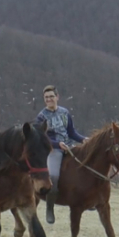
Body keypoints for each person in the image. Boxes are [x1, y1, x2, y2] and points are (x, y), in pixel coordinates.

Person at [35, 85, 86, 224]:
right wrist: (58, 145)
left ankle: (87, 200)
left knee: (85, 167)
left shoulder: (65, 112)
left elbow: (71, 132)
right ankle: (50, 207)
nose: (49, 99)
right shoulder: (41, 116)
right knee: (54, 176)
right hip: (53, 149)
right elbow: (41, 137)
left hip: (69, 146)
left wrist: (84, 140)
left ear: (57, 97)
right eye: (46, 97)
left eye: (51, 96)